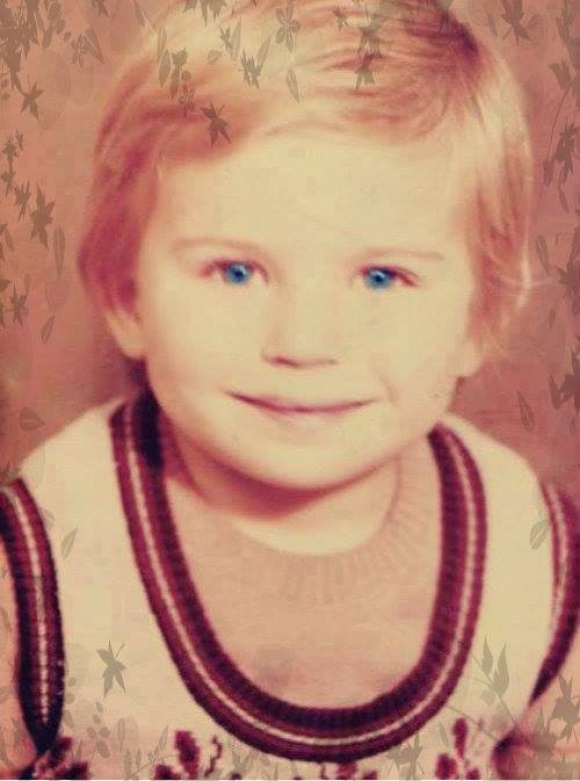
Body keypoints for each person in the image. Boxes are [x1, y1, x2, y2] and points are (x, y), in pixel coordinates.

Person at [0, 0, 578, 777]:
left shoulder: (530, 558)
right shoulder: (43, 561)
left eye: (382, 276)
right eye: (236, 271)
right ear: (126, 295)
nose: (304, 344)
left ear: (482, 316)